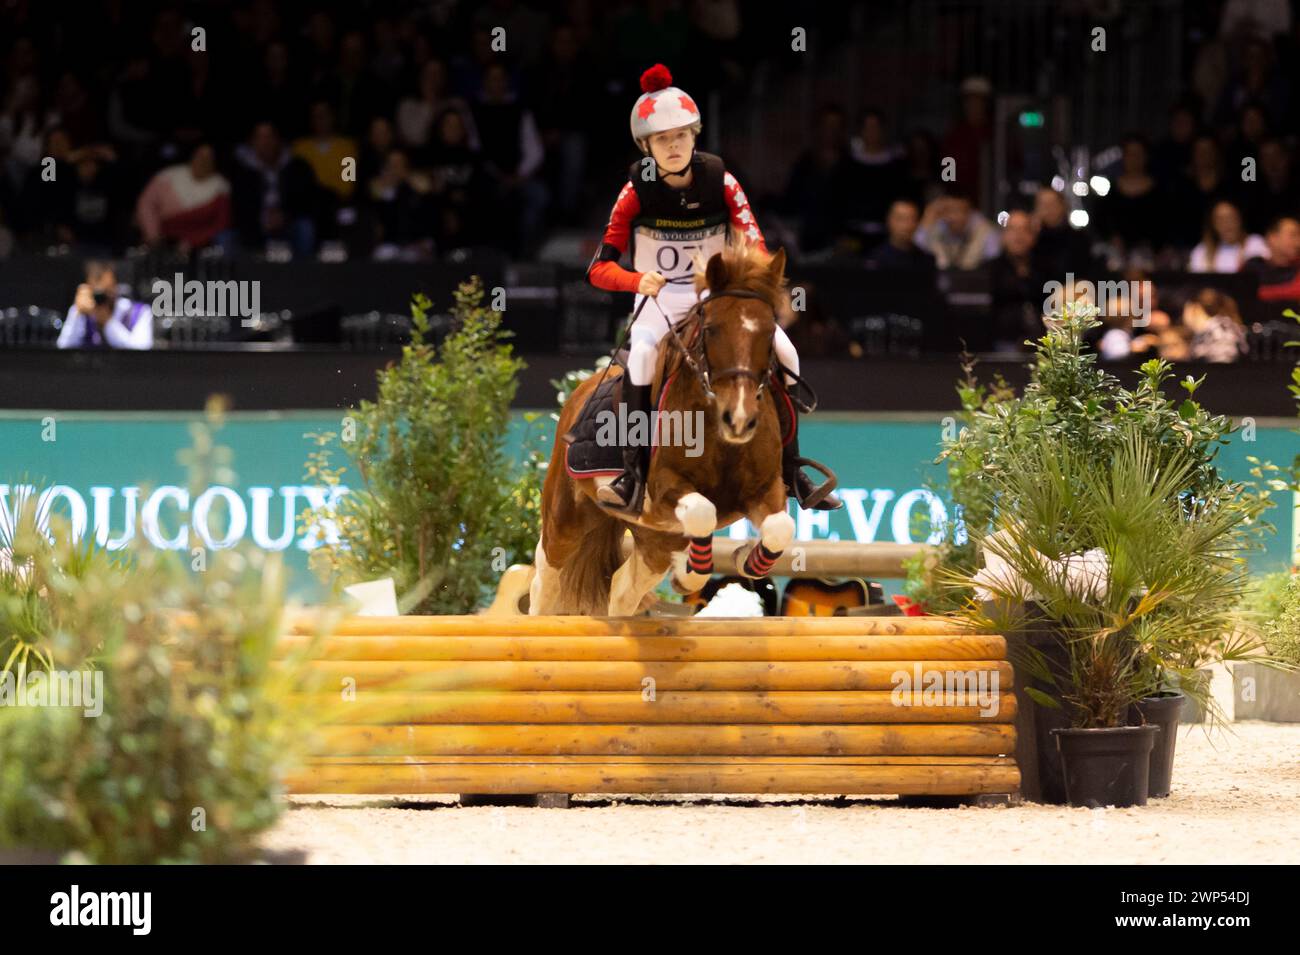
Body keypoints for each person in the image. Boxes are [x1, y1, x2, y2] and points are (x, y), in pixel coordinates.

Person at [586, 64, 840, 516]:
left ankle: (792, 467)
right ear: (646, 146)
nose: (674, 146)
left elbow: (756, 243)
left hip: (716, 298)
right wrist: (635, 280)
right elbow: (599, 270)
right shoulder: (633, 193)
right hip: (657, 303)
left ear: (694, 135)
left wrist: (750, 278)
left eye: (682, 135)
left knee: (786, 352)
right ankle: (633, 473)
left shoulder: (722, 182)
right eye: (663, 139)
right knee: (642, 359)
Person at [133, 142, 231, 252]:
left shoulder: (220, 187)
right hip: (161, 241)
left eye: (208, 158)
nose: (202, 161)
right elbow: (146, 205)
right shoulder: (168, 176)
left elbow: (221, 223)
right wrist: (153, 235)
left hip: (200, 246)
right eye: (199, 156)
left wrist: (193, 241)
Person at [58, 260, 152, 350]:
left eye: (107, 292)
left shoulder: (140, 312)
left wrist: (107, 322)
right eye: (97, 294)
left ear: (116, 286)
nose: (102, 299)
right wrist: (76, 314)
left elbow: (142, 353)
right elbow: (63, 349)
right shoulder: (81, 310)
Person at [915, 191, 999, 270]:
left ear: (969, 212)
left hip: (973, 282)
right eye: (948, 211)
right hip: (942, 282)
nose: (953, 217)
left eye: (958, 210)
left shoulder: (985, 231)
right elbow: (916, 246)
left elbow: (994, 261)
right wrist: (928, 218)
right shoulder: (937, 227)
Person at [1189, 200, 1268, 272]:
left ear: (1240, 219)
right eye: (1220, 219)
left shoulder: (1255, 243)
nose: (1227, 224)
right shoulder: (1202, 250)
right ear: (1213, 224)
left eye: (1231, 217)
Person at [866, 199, 936, 273]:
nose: (907, 225)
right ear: (889, 220)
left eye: (912, 219)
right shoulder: (875, 260)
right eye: (901, 219)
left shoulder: (927, 260)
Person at [1183, 289, 1247, 362]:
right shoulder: (1206, 333)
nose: (1184, 317)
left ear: (1195, 309)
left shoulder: (1220, 330)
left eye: (1185, 310)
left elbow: (1222, 366)